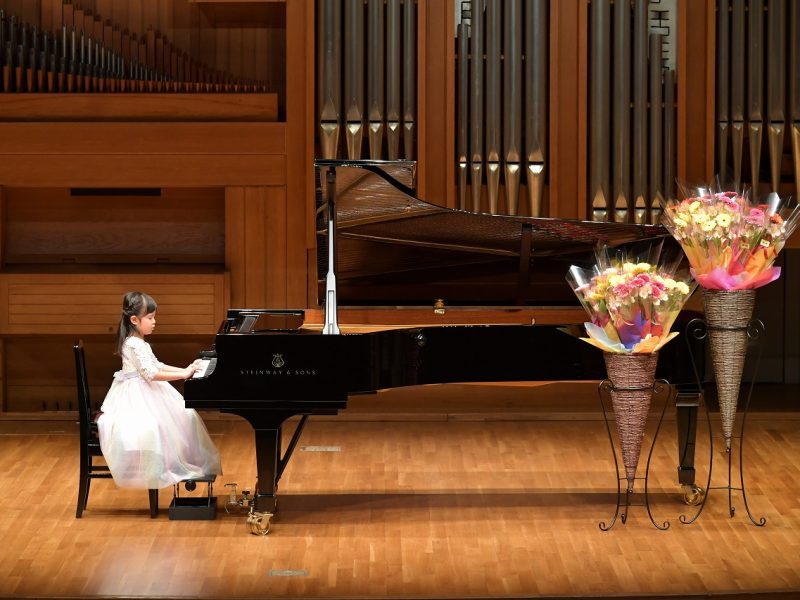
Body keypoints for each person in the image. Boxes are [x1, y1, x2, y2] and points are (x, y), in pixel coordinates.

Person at [97, 291, 222, 489]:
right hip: (135, 398)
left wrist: (185, 369)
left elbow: (157, 364)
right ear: (135, 320)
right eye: (150, 317)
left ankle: (183, 462)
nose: (154, 322)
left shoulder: (140, 342)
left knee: (186, 414)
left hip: (147, 391)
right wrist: (183, 375)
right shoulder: (133, 344)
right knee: (155, 426)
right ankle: (160, 470)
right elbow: (151, 373)